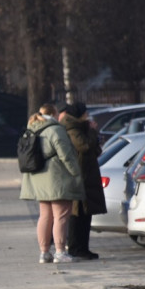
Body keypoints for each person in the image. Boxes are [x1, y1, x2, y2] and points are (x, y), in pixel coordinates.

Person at [20, 104, 84, 264]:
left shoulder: (32, 128)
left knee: (45, 216)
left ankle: (44, 252)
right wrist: (76, 173)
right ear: (54, 114)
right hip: (57, 178)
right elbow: (66, 155)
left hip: (38, 178)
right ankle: (61, 252)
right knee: (61, 216)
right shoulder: (56, 130)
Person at [58, 102, 105, 260]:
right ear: (79, 115)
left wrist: (92, 134)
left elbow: (94, 148)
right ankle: (75, 248)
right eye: (85, 114)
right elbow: (84, 146)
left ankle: (83, 248)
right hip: (79, 175)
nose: (87, 116)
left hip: (87, 174)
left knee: (86, 214)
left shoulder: (80, 127)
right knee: (77, 214)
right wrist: (91, 131)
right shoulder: (72, 128)